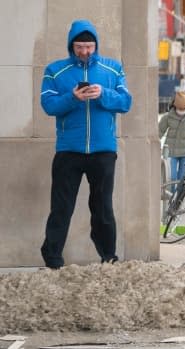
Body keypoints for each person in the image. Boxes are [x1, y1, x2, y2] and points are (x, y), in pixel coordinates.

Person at [39, 19, 132, 269]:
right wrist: (73, 97)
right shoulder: (54, 70)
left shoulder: (112, 69)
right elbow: (48, 106)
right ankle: (53, 259)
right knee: (61, 208)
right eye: (80, 46)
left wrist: (104, 94)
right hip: (68, 151)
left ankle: (108, 257)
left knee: (103, 208)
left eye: (89, 46)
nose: (85, 51)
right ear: (72, 45)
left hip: (103, 151)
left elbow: (125, 102)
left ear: (96, 45)